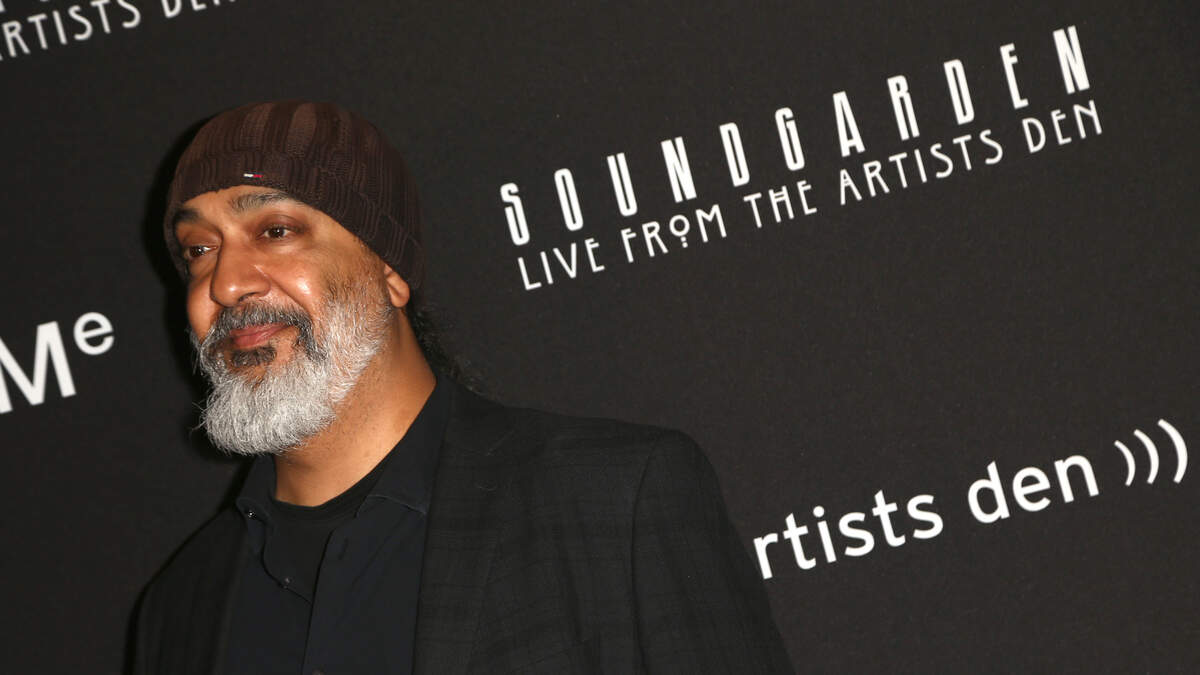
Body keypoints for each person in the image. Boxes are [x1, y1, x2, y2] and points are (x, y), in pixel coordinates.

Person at [134, 100, 793, 674]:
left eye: (275, 232)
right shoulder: (182, 605)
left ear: (390, 268)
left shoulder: (615, 505)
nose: (225, 284)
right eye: (199, 250)